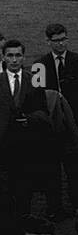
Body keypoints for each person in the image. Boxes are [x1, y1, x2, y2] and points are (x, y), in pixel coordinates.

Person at [37, 23, 78, 212]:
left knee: (76, 167)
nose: (61, 44)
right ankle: (55, 208)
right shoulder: (40, 65)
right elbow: (36, 98)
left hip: (75, 124)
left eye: (63, 39)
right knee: (51, 169)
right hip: (51, 127)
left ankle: (77, 204)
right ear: (48, 42)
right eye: (56, 41)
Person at [0, 38, 57, 217]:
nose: (14, 60)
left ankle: (22, 220)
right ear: (3, 57)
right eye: (10, 56)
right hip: (3, 144)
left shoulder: (34, 80)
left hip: (26, 145)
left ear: (23, 57)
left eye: (18, 55)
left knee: (24, 188)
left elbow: (43, 111)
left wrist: (29, 119)